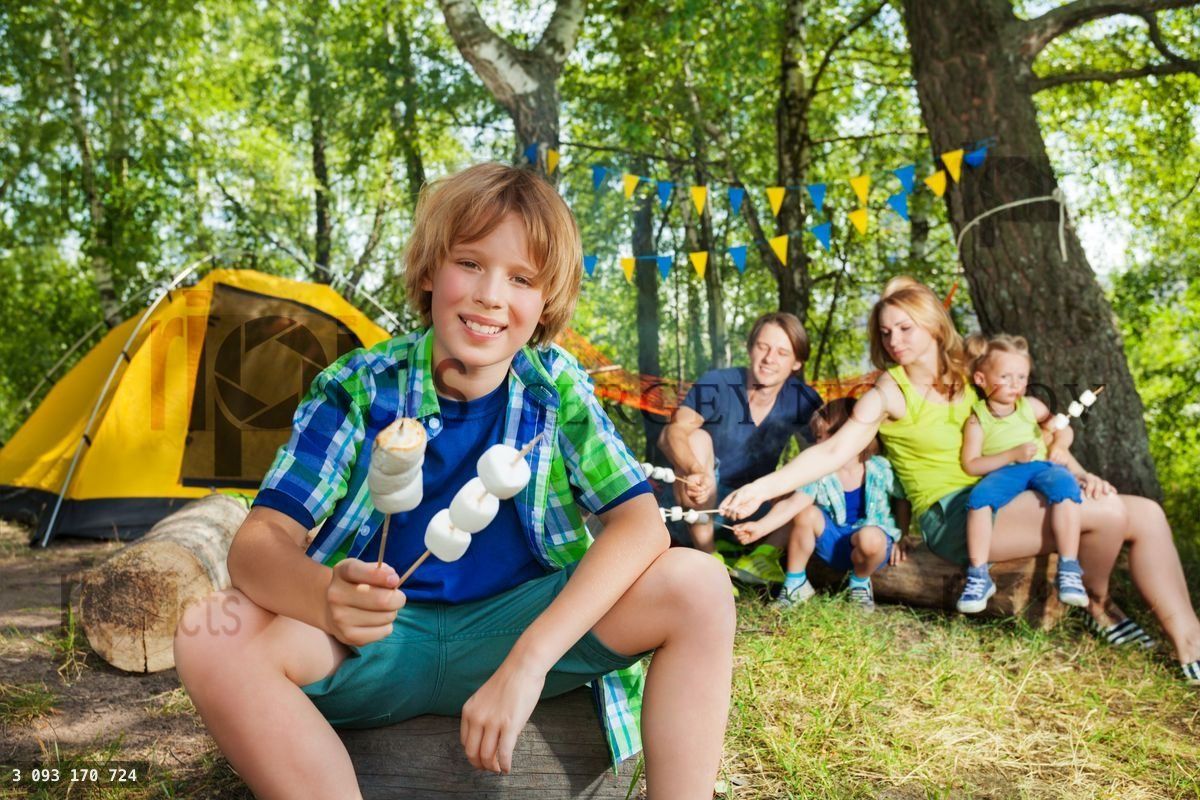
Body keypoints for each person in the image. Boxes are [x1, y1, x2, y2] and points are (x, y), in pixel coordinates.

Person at [173, 163, 736, 799]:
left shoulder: (557, 388)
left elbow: (638, 525)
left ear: (545, 300)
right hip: (372, 639)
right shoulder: (359, 387)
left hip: (514, 630)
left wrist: (528, 661)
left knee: (700, 584)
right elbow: (259, 541)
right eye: (470, 263)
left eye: (521, 278)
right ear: (429, 271)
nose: (491, 295)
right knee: (206, 631)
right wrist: (327, 596)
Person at [721, 276, 1200, 686]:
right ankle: (1098, 604)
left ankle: (1190, 643)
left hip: (1012, 490)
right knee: (1110, 513)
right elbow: (831, 451)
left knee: (1147, 513)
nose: (894, 341)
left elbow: (1031, 431)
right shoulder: (889, 392)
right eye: (886, 332)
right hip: (954, 515)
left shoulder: (974, 374)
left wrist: (1079, 471)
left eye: (905, 328)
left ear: (932, 324)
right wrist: (763, 488)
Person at [657, 312, 823, 552]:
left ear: (796, 362)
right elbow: (672, 434)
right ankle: (708, 555)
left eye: (782, 353)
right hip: (695, 505)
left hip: (753, 509)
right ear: (750, 348)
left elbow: (824, 455)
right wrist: (694, 470)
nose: (769, 359)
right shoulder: (718, 382)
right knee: (697, 437)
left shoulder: (803, 400)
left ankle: (761, 562)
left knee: (810, 480)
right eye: (763, 347)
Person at [730, 397, 908, 612]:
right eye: (816, 437)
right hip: (834, 543)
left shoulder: (881, 468)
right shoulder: (820, 474)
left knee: (870, 536)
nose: (817, 445)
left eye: (824, 436)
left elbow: (903, 499)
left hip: (872, 544)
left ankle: (860, 582)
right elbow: (794, 504)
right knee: (806, 512)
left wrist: (901, 535)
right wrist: (761, 527)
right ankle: (796, 582)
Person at [958, 333, 1087, 613]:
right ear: (981, 379)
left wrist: (1061, 446)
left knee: (1066, 487)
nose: (1016, 384)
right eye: (1006, 376)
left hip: (1041, 466)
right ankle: (978, 575)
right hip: (1005, 471)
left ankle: (1069, 568)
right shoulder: (977, 419)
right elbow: (971, 464)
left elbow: (1063, 428)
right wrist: (1011, 455)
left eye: (1022, 377)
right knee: (979, 499)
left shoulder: (1033, 406)